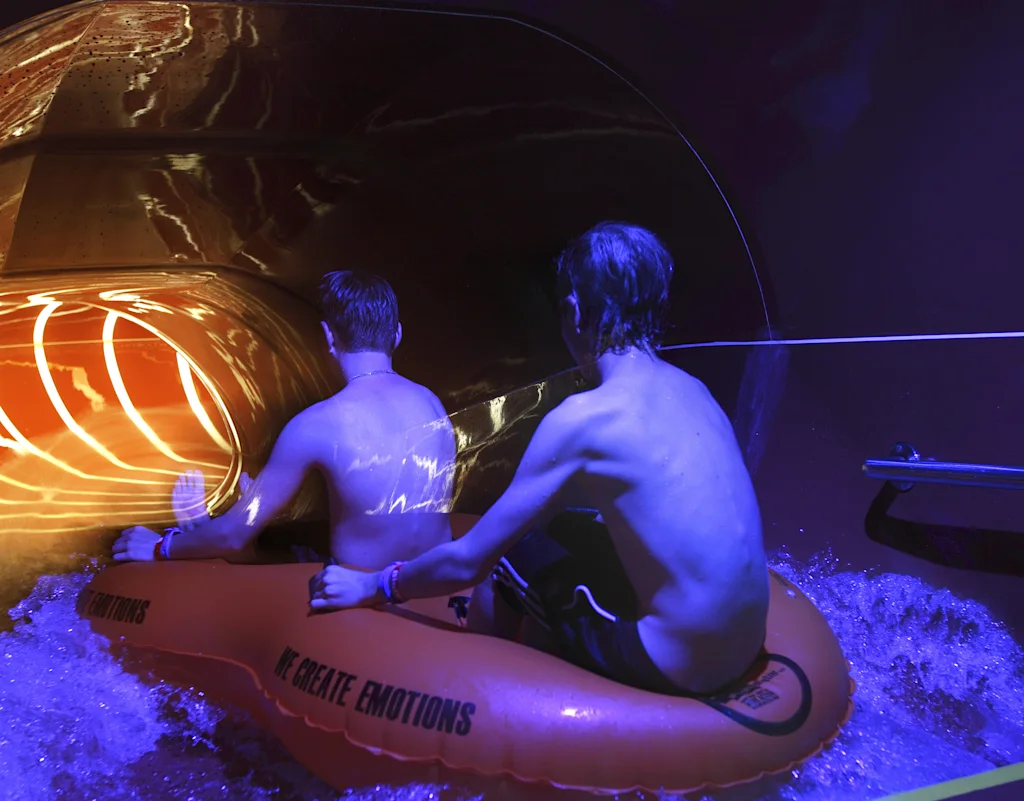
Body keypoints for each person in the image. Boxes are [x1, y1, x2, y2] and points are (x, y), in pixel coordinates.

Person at [308, 222, 770, 696]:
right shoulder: (695, 391)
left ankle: (471, 696)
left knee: (512, 557)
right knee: (563, 528)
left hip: (681, 662)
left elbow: (471, 560)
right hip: (743, 640)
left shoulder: (584, 419)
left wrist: (373, 586)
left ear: (572, 309)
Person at [112, 271, 455, 568]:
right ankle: (209, 532)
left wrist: (159, 547)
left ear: (329, 337)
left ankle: (202, 531)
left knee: (244, 543)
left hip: (364, 594)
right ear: (396, 334)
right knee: (295, 551)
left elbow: (235, 535)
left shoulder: (316, 424)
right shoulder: (433, 404)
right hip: (432, 586)